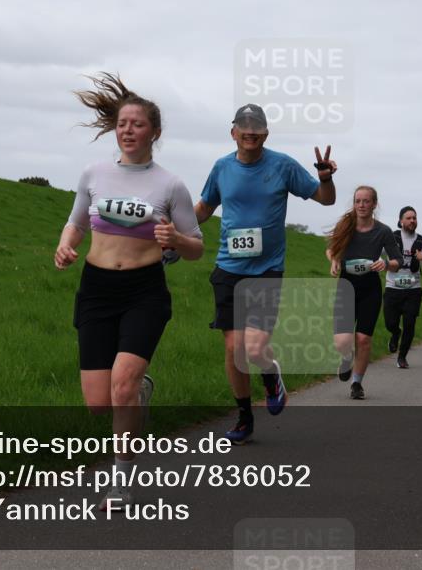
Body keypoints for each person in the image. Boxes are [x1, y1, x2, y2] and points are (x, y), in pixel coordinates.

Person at [55, 73, 204, 510]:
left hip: (144, 291)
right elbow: (77, 222)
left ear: (154, 132)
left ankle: (119, 482)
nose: (128, 130)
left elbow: (196, 247)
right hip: (97, 288)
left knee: (120, 387)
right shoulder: (94, 174)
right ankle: (139, 391)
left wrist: (175, 240)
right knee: (99, 404)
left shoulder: (170, 184)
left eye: (137, 124)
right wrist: (65, 246)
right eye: (123, 123)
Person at [195, 104, 336, 444]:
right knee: (234, 350)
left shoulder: (283, 166)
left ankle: (271, 375)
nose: (250, 131)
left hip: (267, 270)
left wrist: (326, 178)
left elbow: (325, 200)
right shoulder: (221, 168)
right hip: (228, 268)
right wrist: (172, 227)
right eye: (243, 125)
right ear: (233, 133)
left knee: (255, 349)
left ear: (266, 133)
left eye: (256, 125)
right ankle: (244, 417)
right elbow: (204, 208)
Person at [326, 186, 402, 399]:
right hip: (346, 285)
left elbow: (398, 261)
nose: (361, 205)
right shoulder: (346, 225)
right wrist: (333, 261)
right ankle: (346, 356)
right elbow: (331, 249)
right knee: (342, 342)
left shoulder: (383, 231)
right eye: (358, 201)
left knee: (363, 339)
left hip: (370, 288)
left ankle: (357, 384)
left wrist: (386, 264)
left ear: (374, 204)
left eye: (366, 201)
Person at [383, 206, 422, 369]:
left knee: (410, 323)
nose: (413, 220)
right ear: (400, 221)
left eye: (415, 218)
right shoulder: (391, 237)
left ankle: (402, 357)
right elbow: (376, 253)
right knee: (390, 322)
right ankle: (395, 333)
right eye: (409, 218)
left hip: (413, 289)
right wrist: (382, 262)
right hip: (393, 287)